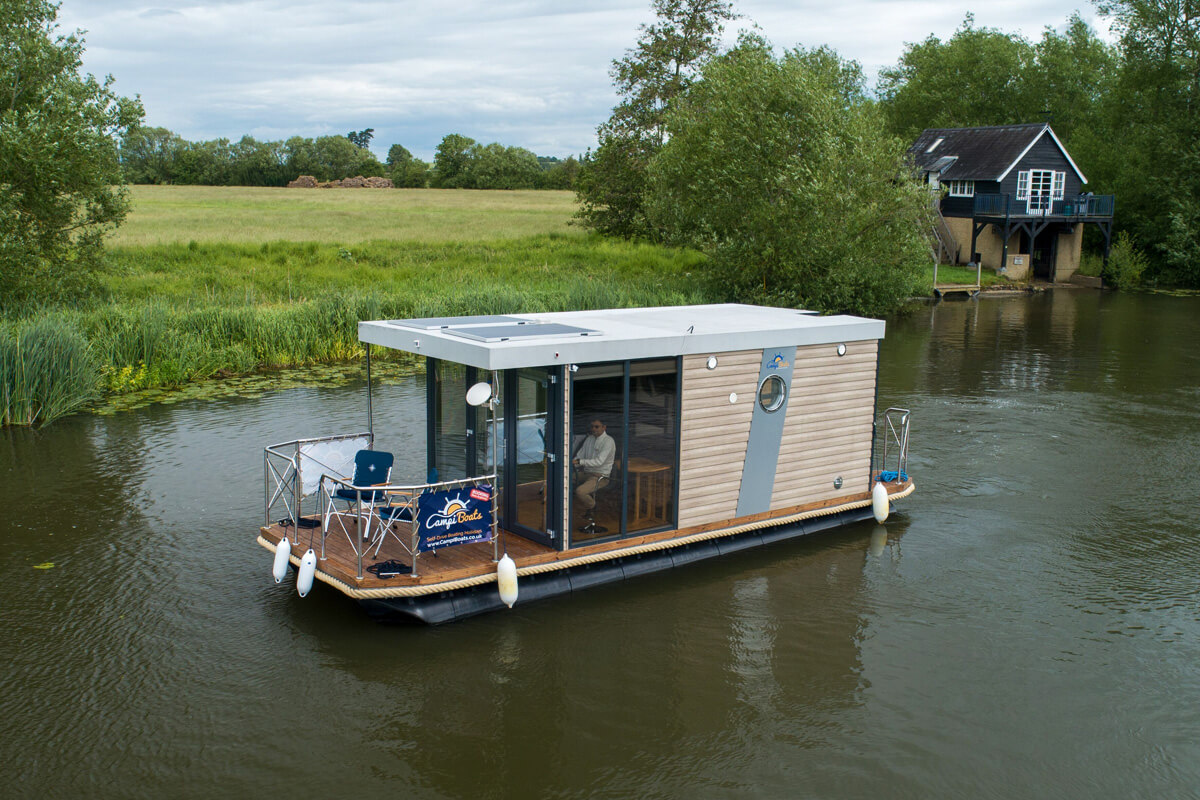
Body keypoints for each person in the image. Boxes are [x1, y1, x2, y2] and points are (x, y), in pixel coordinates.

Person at [573, 419, 615, 526]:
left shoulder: (608, 441)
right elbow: (580, 455)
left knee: (580, 492)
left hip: (601, 476)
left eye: (596, 427)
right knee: (563, 478)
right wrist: (573, 463)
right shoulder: (589, 439)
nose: (593, 429)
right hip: (587, 472)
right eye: (592, 427)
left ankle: (592, 507)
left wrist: (580, 462)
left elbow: (599, 462)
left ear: (604, 427)